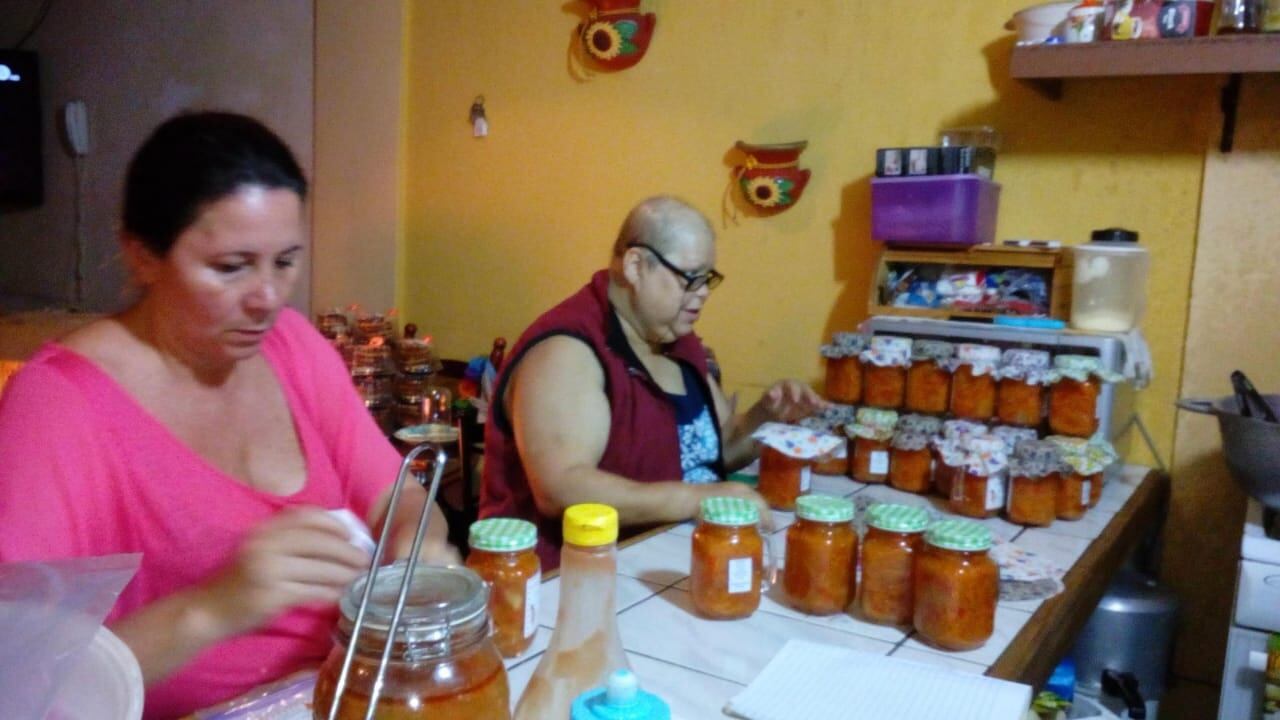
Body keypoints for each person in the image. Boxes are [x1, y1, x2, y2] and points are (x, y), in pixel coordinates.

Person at [0, 112, 455, 719]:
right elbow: (21, 683)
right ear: (142, 256)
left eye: (284, 262)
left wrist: (417, 549)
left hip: (339, 691)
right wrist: (217, 605)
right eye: (231, 266)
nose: (268, 298)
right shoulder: (58, 407)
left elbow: (398, 498)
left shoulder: (292, 345)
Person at [481, 196, 824, 569]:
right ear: (636, 266)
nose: (703, 292)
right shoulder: (567, 352)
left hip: (679, 560)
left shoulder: (672, 339)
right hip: (567, 580)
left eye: (708, 279)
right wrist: (699, 499)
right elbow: (562, 489)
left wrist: (766, 417)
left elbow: (711, 450)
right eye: (690, 278)